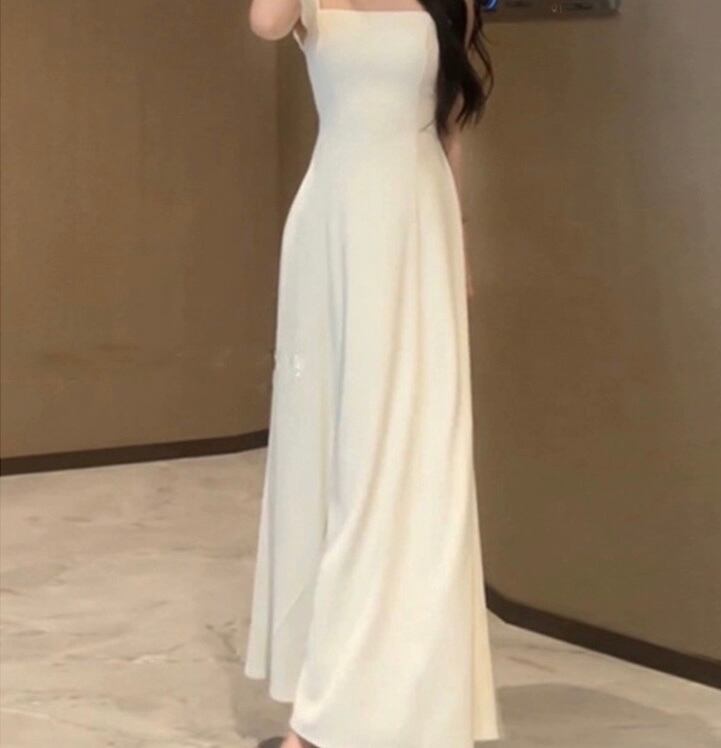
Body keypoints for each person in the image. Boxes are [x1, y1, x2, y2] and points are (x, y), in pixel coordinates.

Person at [244, 0, 505, 745]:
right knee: (339, 465)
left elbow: (448, 129)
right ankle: (320, 709)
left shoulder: (446, 3)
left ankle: (417, 701)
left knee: (423, 465)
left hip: (419, 228)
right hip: (336, 227)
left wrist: (459, 243)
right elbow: (265, 23)